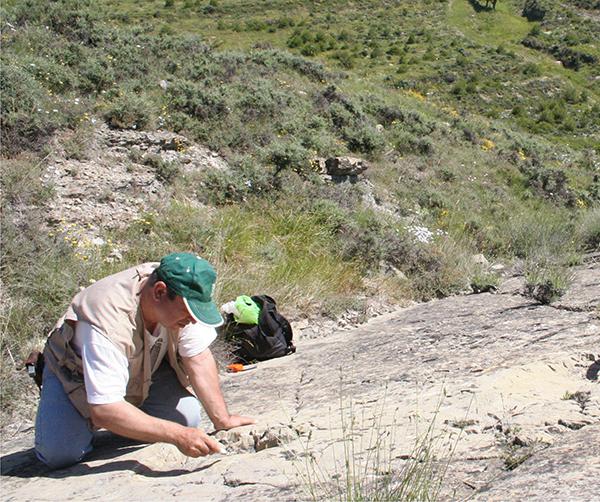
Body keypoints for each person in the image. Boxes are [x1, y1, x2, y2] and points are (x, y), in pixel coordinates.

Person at [34, 252, 255, 469]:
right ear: (159, 292)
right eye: (188, 312)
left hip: (142, 364)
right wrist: (177, 436)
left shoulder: (179, 289)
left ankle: (126, 417)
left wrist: (222, 419)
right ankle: (86, 413)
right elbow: (104, 409)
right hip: (75, 370)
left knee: (186, 418)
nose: (191, 320)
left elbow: (197, 356)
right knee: (61, 453)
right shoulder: (107, 320)